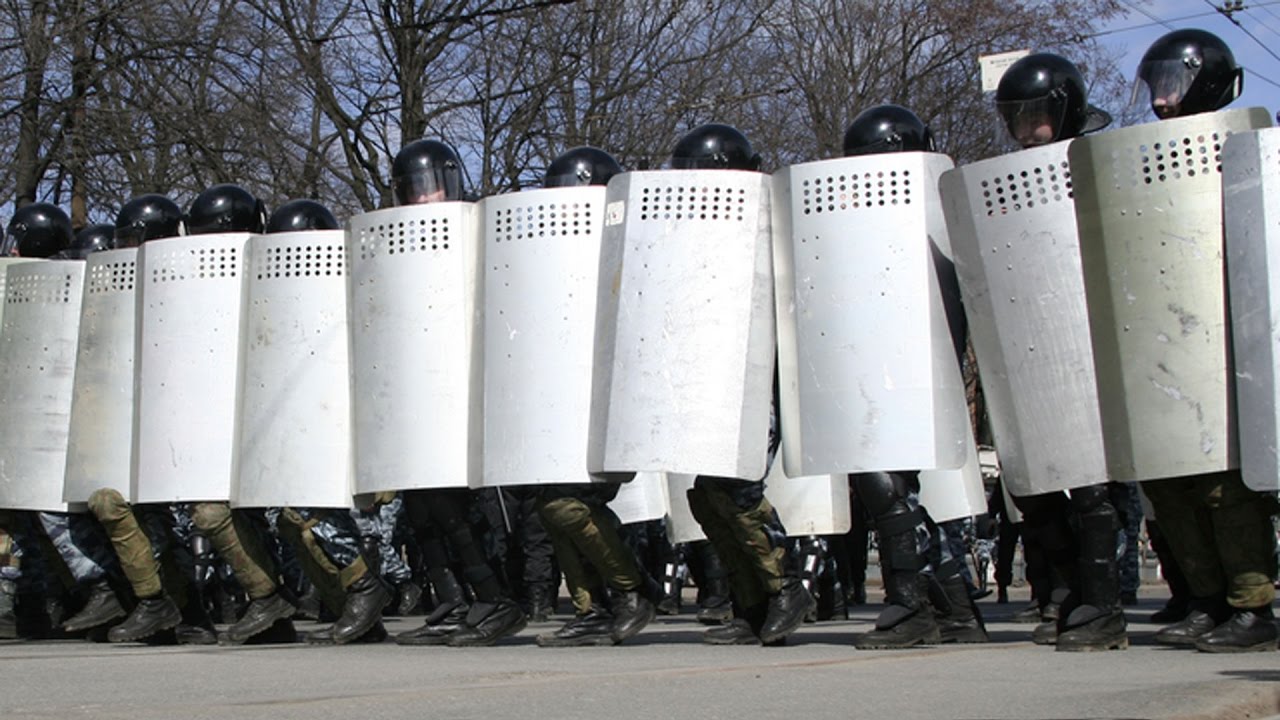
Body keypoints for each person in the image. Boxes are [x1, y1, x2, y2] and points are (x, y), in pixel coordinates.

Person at [1127, 28, 1277, 653]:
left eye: (1174, 84)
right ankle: (1207, 599)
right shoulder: (1140, 158)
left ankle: (1254, 606)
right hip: (1164, 345)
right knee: (1170, 486)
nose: (1162, 100)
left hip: (1227, 350)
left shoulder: (1246, 151)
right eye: (1157, 86)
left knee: (1224, 487)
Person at [667, 124, 816, 647]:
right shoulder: (687, 242)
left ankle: (787, 588)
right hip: (715, 378)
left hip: (761, 377)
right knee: (708, 495)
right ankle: (750, 602)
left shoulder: (769, 224)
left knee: (737, 488)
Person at [382, 139, 528, 648]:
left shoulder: (475, 233)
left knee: (453, 506)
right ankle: (454, 600)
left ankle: (496, 598)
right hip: (420, 391)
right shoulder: (398, 246)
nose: (422, 199)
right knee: (420, 504)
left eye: (428, 187)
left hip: (462, 389)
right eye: (411, 190)